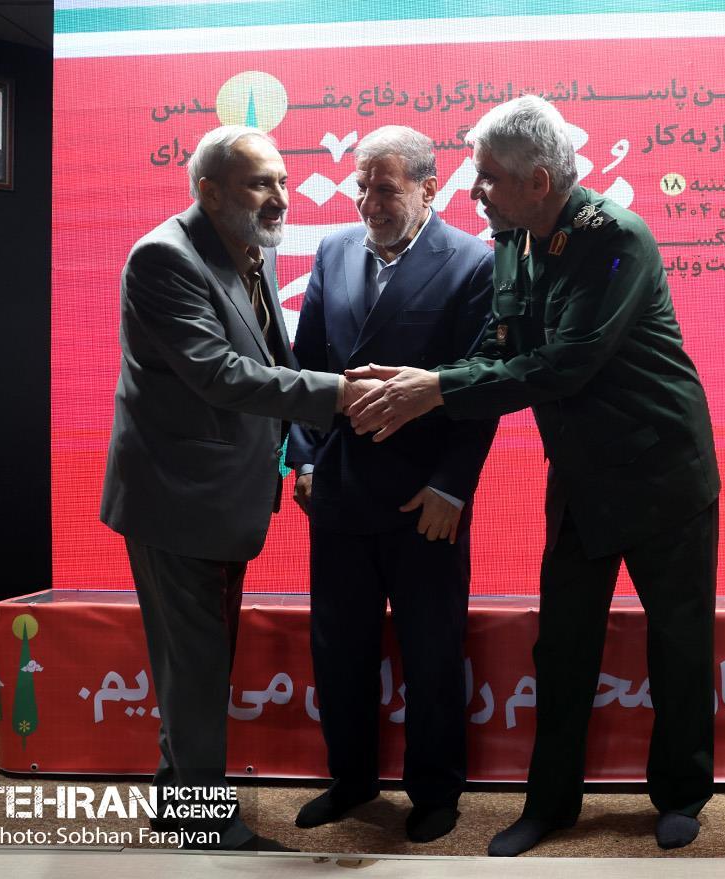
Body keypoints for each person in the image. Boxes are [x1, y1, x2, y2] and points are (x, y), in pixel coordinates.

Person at [343, 95, 721, 857]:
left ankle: (682, 793)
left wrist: (437, 388)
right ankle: (550, 803)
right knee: (564, 646)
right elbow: (498, 341)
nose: (474, 190)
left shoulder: (616, 238)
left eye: (487, 176)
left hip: (663, 475)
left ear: (538, 180)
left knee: (678, 643)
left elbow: (562, 364)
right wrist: (433, 380)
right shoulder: (512, 237)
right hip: (581, 476)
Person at [100, 125, 376, 851]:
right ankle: (202, 823)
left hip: (221, 498)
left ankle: (177, 800)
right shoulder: (164, 257)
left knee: (199, 664)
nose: (280, 197)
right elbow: (219, 373)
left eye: (282, 180)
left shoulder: (251, 246)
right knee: (194, 667)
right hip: (175, 501)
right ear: (210, 191)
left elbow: (269, 355)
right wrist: (339, 394)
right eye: (261, 184)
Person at [284, 126, 497, 843]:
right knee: (338, 649)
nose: (369, 202)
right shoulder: (334, 250)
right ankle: (351, 779)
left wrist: (452, 488)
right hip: (340, 491)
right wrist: (302, 460)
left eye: (385, 188)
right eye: (361, 187)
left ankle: (435, 790)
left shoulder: (473, 263)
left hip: (423, 501)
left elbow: (478, 392)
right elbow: (306, 369)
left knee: (431, 652)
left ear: (429, 188)